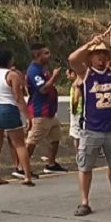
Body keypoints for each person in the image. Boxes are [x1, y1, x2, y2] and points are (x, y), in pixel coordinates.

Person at [68, 36, 111, 216]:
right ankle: (84, 201)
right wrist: (89, 44)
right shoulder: (86, 74)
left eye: (103, 54)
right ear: (90, 57)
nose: (101, 58)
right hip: (91, 128)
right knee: (85, 166)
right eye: (97, 54)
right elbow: (72, 59)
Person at [0, 49, 35, 187]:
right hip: (8, 109)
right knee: (19, 144)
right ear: (10, 61)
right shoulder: (11, 75)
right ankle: (27, 176)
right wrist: (28, 116)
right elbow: (18, 98)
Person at [24, 43, 67, 175]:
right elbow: (43, 89)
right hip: (40, 111)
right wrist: (54, 77)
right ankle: (22, 166)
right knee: (32, 140)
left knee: (55, 137)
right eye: (46, 53)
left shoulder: (43, 69)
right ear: (38, 55)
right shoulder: (34, 70)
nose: (49, 55)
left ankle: (51, 164)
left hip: (50, 112)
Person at [66, 67, 83, 152]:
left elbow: (76, 100)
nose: (67, 77)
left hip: (77, 113)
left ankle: (78, 155)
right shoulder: (82, 83)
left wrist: (73, 110)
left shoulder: (76, 85)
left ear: (73, 73)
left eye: (68, 75)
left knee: (76, 135)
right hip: (81, 111)